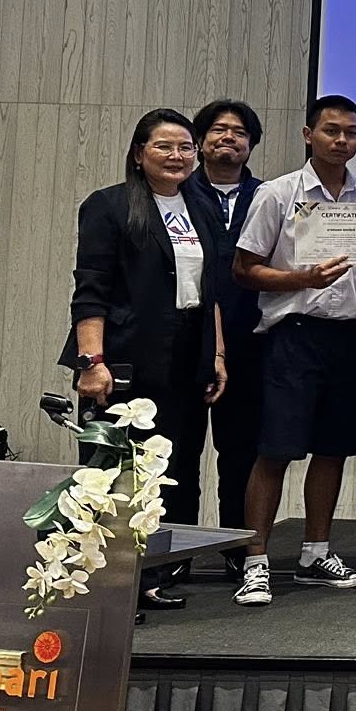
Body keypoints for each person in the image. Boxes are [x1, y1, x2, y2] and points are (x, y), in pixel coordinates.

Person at [63, 109, 227, 606]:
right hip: (125, 357)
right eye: (164, 146)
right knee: (116, 473)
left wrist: (217, 353)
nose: (177, 156)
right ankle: (109, 590)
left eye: (186, 147)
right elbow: (90, 290)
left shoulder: (201, 207)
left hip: (187, 354)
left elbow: (211, 290)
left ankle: (152, 576)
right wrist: (91, 362)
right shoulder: (108, 206)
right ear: (139, 153)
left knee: (172, 469)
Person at [231, 96, 356, 607]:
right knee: (275, 449)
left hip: (350, 336)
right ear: (308, 134)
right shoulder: (279, 193)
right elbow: (243, 269)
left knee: (333, 448)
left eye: (351, 133)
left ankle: (315, 554)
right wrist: (301, 278)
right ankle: (256, 562)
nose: (341, 140)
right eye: (331, 130)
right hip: (292, 334)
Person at [185, 99, 265, 576]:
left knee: (241, 454)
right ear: (200, 140)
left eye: (239, 132)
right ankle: (174, 553)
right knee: (180, 452)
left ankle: (238, 547)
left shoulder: (270, 196)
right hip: (187, 340)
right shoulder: (175, 192)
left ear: (251, 144)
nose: (228, 137)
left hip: (251, 340)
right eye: (218, 129)